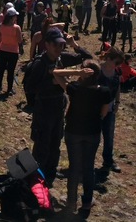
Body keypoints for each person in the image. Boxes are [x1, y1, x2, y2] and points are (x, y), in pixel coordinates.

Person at [21, 27, 91, 187]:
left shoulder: (62, 58)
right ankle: (36, 179)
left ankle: (49, 175)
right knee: (41, 145)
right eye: (56, 45)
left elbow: (87, 58)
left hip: (59, 108)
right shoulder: (40, 63)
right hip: (43, 109)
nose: (60, 48)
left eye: (61, 45)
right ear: (47, 45)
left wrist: (75, 44)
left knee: (55, 144)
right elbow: (30, 88)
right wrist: (50, 82)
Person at [60, 61, 111, 216]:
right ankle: (87, 203)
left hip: (73, 131)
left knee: (74, 167)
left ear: (84, 74)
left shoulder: (74, 89)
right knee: (88, 167)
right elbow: (104, 113)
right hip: (92, 132)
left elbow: (55, 73)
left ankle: (71, 202)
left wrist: (77, 72)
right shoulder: (104, 91)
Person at [0, 9, 25, 95]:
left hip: (2, 50)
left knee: (1, 70)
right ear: (12, 17)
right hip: (13, 52)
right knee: (10, 71)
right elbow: (19, 40)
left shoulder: (1, 26)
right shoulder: (16, 28)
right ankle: (9, 89)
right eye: (15, 16)